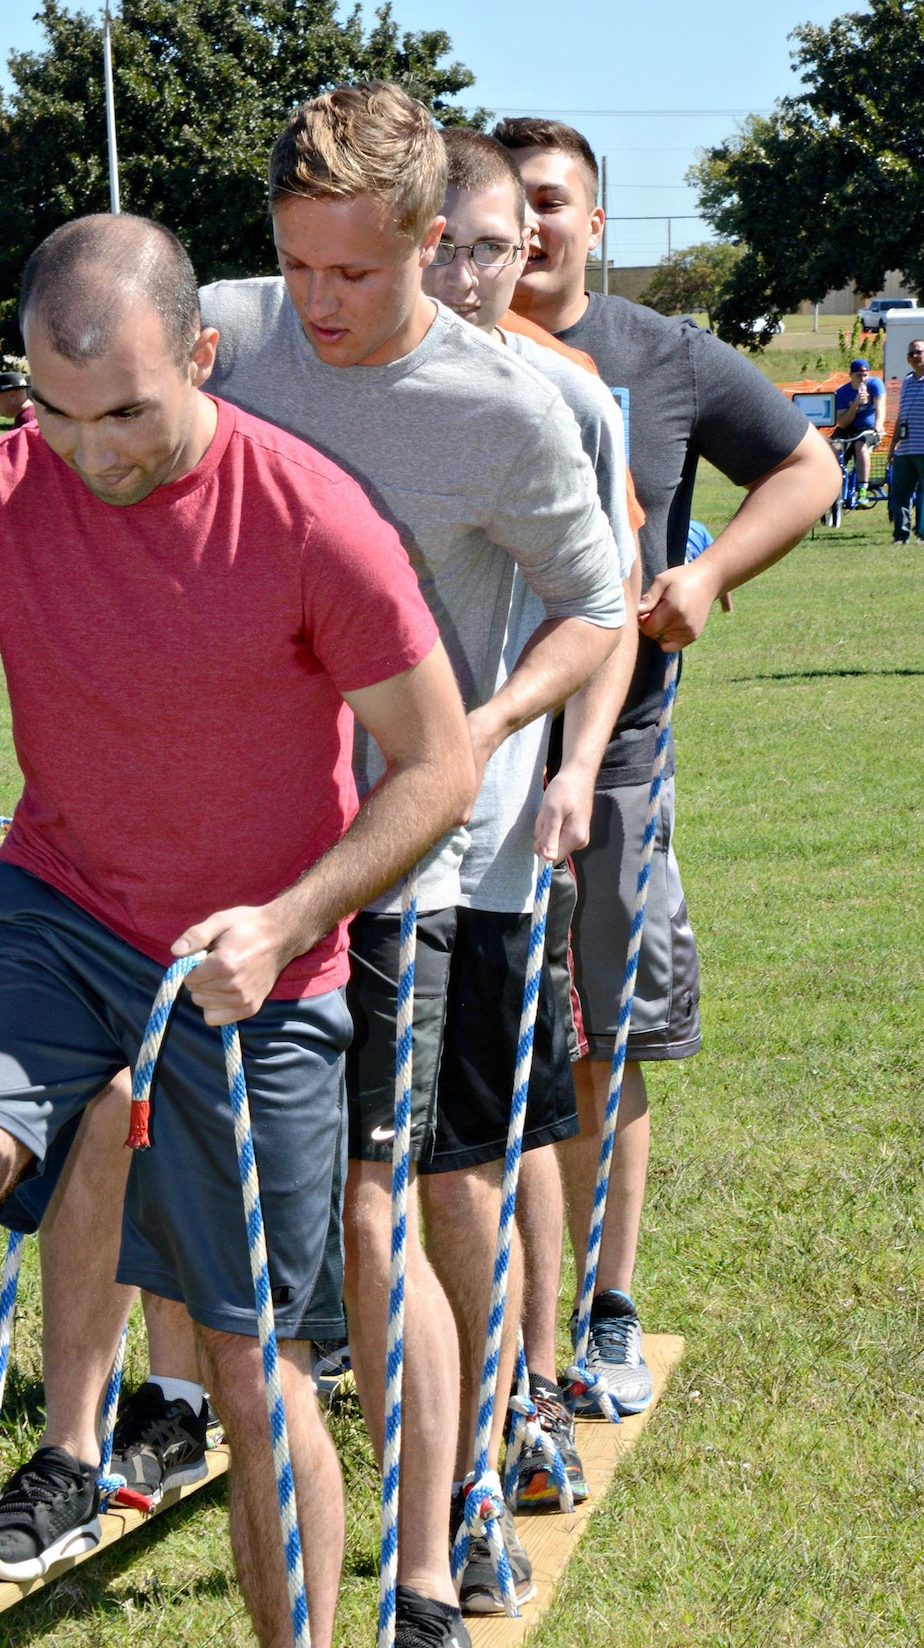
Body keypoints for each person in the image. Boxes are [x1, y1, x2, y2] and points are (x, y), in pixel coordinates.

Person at [0, 211, 475, 1648]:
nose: (84, 454)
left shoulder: (314, 522)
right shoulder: (3, 489)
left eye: (125, 416)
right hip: (60, 908)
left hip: (256, 965)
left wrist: (290, 911)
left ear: (203, 360)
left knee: (254, 1371)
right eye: (51, 412)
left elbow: (435, 765)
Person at [28, 85, 622, 1648]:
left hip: (410, 879)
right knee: (152, 1158)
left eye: (352, 275)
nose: (315, 306)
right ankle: (116, 1432)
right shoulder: (218, 327)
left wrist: (482, 731)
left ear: (435, 244)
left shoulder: (505, 410)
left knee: (383, 1221)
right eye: (293, 267)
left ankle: (424, 1573)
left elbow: (597, 609)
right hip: (219, 866)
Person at [492, 115, 839, 1411]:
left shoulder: (666, 359)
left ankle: (605, 1310)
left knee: (600, 1040)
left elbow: (805, 471)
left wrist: (703, 570)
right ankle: (482, 1317)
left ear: (596, 226)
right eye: (504, 202)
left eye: (547, 203)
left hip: (615, 754)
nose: (526, 227)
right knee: (459, 1037)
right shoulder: (440, 349)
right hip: (457, 759)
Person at [421, 127, 641, 1524]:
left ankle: (535, 1384)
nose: (463, 273)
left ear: (535, 253)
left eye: (491, 247)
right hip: (366, 849)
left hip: (503, 842)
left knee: (505, 1132)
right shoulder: (334, 380)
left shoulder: (568, 400)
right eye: (437, 243)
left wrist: (570, 765)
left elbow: (603, 600)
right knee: (413, 1159)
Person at [832, 357, 884, 500]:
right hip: (848, 429)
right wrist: (855, 404)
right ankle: (834, 484)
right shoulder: (842, 392)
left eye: (865, 375)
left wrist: (878, 425)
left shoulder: (875, 384)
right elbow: (842, 423)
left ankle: (862, 488)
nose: (862, 379)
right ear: (851, 375)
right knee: (834, 447)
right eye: (858, 375)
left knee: (860, 445)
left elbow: (881, 407)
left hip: (868, 429)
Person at [888, 336, 924, 543]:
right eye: (912, 353)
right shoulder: (907, 382)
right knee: (900, 495)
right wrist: (893, 446)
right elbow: (901, 417)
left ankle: (922, 534)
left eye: (919, 351)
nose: (915, 356)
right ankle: (901, 535)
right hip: (905, 450)